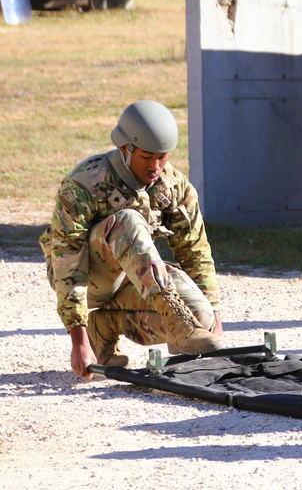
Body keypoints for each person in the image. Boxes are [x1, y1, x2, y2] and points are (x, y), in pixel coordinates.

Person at [40, 100, 225, 379]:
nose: (156, 166)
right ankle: (173, 321)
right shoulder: (85, 184)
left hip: (134, 277)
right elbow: (67, 259)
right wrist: (77, 339)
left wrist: (214, 318)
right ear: (125, 148)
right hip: (91, 278)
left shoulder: (175, 187)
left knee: (202, 319)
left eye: (163, 157)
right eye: (147, 157)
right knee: (129, 220)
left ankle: (103, 327)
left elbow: (194, 249)